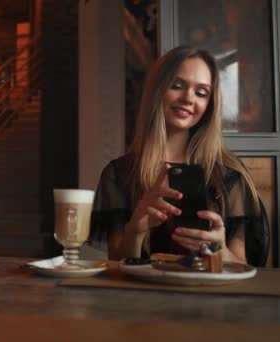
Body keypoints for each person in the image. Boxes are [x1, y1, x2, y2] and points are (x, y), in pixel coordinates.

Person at [90, 46, 268, 266]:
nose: (188, 98)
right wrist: (135, 229)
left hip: (210, 298)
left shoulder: (230, 178)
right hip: (142, 298)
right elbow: (117, 263)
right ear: (158, 91)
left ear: (209, 104)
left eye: (201, 92)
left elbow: (242, 267)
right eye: (177, 85)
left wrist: (217, 249)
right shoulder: (119, 174)